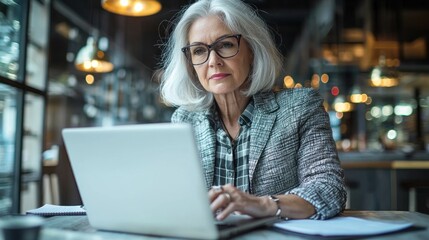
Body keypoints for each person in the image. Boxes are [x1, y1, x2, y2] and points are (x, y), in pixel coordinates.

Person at [159, 0, 346, 221]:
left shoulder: (300, 107)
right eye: (199, 51)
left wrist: (262, 205)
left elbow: (329, 189)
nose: (213, 61)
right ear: (190, 63)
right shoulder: (184, 121)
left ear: (252, 50)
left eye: (226, 45)